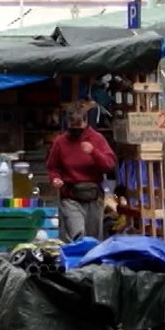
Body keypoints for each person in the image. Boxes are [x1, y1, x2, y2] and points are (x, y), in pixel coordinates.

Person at [46, 103, 117, 242]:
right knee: (77, 233)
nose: (76, 130)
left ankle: (91, 261)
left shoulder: (97, 139)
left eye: (80, 126)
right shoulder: (60, 142)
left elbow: (110, 165)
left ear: (86, 122)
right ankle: (76, 259)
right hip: (70, 196)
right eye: (73, 126)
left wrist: (94, 152)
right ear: (68, 124)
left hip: (93, 196)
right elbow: (53, 167)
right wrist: (55, 178)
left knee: (93, 237)